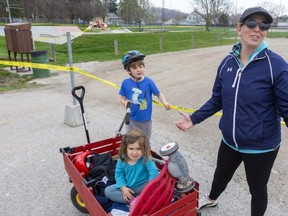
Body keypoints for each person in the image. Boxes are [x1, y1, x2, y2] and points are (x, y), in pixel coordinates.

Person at [175, 6, 288, 216]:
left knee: (257, 189)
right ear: (239, 28)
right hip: (229, 140)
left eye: (263, 25)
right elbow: (217, 99)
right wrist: (193, 118)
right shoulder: (228, 62)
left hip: (261, 147)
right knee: (220, 175)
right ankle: (211, 200)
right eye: (252, 23)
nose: (258, 29)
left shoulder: (276, 65)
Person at [119, 50, 170, 144]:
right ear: (128, 70)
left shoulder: (148, 81)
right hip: (131, 120)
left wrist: (164, 103)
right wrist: (125, 103)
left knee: (145, 142)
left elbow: (158, 93)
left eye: (140, 66)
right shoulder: (125, 83)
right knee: (131, 142)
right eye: (134, 68)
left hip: (146, 121)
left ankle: (145, 157)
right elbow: (122, 98)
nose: (139, 69)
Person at [104, 128, 159, 204]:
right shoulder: (122, 159)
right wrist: (123, 188)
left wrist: (149, 187)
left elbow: (153, 171)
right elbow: (119, 173)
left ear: (144, 149)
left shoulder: (145, 158)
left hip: (144, 186)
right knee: (108, 191)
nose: (135, 152)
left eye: (139, 149)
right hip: (129, 188)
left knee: (157, 183)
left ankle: (142, 199)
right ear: (126, 148)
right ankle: (135, 201)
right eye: (131, 149)